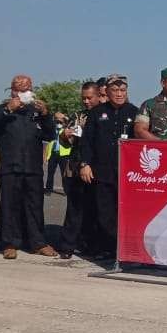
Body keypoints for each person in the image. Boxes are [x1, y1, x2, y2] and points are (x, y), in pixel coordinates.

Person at [0, 74, 59, 259]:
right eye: (20, 89)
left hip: (33, 167)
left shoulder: (36, 111)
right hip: (11, 167)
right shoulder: (1, 110)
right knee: (10, 206)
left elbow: (50, 135)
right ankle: (10, 243)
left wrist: (45, 114)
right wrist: (8, 110)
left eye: (27, 89)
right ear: (12, 91)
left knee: (35, 206)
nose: (24, 92)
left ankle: (38, 243)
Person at [78, 74, 139, 260]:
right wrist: (85, 164)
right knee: (105, 213)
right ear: (107, 92)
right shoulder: (97, 113)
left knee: (126, 213)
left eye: (123, 90)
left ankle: (124, 249)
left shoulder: (134, 112)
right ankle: (108, 247)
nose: (119, 94)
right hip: (102, 171)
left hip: (126, 173)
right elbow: (87, 141)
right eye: (115, 90)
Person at [56, 81, 103, 259]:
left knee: (95, 210)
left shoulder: (104, 115)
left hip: (98, 169)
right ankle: (67, 246)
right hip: (77, 168)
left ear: (98, 96)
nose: (86, 101)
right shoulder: (78, 116)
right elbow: (65, 138)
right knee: (75, 209)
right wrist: (65, 135)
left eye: (89, 98)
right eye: (83, 98)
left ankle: (93, 246)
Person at [43, 113, 69, 195]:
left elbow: (68, 122)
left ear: (64, 124)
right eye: (57, 122)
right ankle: (48, 190)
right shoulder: (52, 132)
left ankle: (66, 190)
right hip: (53, 154)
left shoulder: (66, 131)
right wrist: (46, 155)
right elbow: (48, 144)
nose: (59, 124)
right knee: (50, 173)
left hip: (63, 154)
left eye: (60, 123)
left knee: (64, 174)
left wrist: (64, 117)